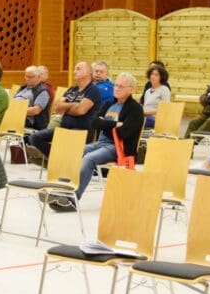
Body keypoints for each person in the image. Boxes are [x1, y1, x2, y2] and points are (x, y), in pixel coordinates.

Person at [51, 72, 144, 212]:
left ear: (131, 89)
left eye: (121, 86)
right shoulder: (108, 104)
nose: (117, 88)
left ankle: (72, 199)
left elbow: (123, 132)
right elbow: (93, 123)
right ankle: (62, 191)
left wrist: (104, 123)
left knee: (89, 158)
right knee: (74, 153)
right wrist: (113, 124)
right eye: (116, 85)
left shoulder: (135, 109)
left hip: (118, 147)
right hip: (101, 143)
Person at [29, 61, 102, 158]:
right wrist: (73, 105)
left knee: (63, 139)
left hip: (82, 131)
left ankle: (59, 159)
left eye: (78, 69)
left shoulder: (93, 90)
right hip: (64, 129)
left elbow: (81, 110)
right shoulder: (72, 89)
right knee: (34, 137)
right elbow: (57, 107)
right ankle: (55, 157)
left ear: (89, 73)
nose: (74, 71)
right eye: (75, 69)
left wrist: (66, 107)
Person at [15, 65, 51, 130]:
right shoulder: (24, 88)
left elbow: (35, 111)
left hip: (29, 121)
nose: (27, 79)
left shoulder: (43, 91)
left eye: (30, 77)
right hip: (16, 116)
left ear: (39, 77)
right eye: (26, 76)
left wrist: (15, 111)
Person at [141, 64, 171, 129]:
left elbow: (165, 109)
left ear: (161, 77)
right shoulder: (147, 91)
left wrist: (148, 112)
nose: (153, 76)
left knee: (136, 120)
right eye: (152, 74)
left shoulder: (164, 89)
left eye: (156, 75)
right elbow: (145, 106)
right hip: (145, 117)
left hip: (156, 119)